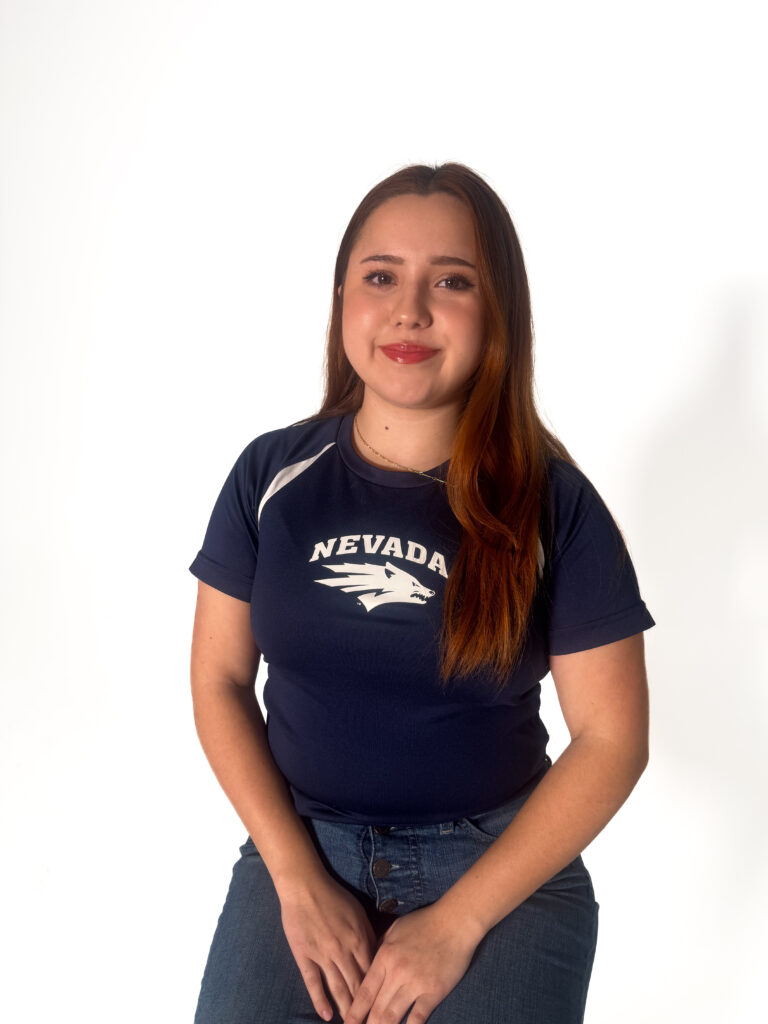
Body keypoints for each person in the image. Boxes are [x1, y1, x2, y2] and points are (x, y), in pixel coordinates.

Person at [188, 162, 655, 1024]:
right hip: (304, 846)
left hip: (502, 866)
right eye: (380, 277)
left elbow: (612, 738)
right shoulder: (272, 474)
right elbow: (219, 681)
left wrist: (459, 922)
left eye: (451, 280)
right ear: (342, 303)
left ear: (498, 312)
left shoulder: (555, 504)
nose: (410, 309)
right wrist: (293, 878)